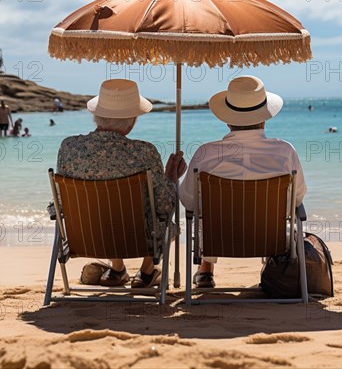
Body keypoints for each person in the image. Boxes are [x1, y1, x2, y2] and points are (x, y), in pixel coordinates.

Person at [179, 75, 308, 288]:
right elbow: (297, 198)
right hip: (271, 240)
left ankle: (205, 270)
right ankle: (272, 271)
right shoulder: (285, 152)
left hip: (217, 239)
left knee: (205, 216)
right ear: (264, 118)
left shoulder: (206, 153)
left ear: (228, 120)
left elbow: (189, 202)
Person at [56, 79, 186, 288]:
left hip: (82, 237)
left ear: (96, 115)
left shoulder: (68, 148)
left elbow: (60, 203)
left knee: (103, 212)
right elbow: (164, 204)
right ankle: (146, 272)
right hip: (136, 240)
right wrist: (170, 177)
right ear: (132, 120)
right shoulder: (144, 152)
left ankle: (117, 270)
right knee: (164, 223)